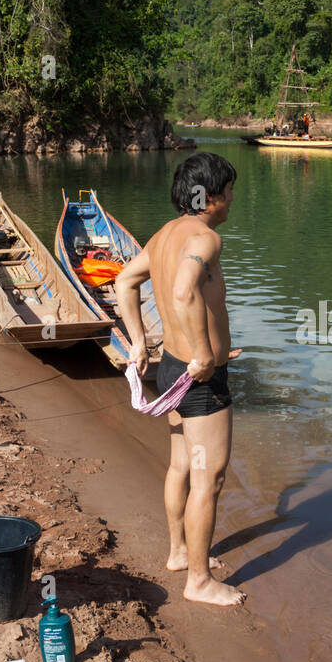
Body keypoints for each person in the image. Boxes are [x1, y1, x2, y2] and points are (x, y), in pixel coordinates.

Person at [114, 152, 245, 607]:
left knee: (182, 466)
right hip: (200, 377)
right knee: (210, 477)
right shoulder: (205, 238)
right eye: (228, 191)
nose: (232, 199)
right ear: (209, 197)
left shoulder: (164, 235)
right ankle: (199, 580)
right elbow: (184, 290)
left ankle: (177, 554)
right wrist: (207, 353)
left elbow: (124, 283)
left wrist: (136, 343)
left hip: (171, 367)